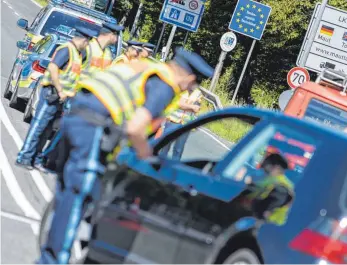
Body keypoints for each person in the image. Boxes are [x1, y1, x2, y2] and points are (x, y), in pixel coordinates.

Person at [37, 47, 214, 264]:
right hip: (93, 126)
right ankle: (54, 260)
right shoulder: (164, 85)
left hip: (77, 115)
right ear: (189, 77)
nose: (189, 89)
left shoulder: (148, 67)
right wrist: (148, 157)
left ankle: (48, 256)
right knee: (78, 197)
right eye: (193, 84)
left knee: (67, 195)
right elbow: (135, 129)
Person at [15, 27, 97, 171]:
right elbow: (53, 68)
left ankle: (36, 159)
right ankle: (24, 157)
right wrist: (60, 90)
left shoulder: (77, 54)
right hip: (51, 93)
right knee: (38, 127)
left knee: (47, 130)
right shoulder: (66, 50)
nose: (87, 45)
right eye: (87, 41)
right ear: (83, 39)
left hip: (61, 98)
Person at [242, 153, 294, 226]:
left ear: (276, 168)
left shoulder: (280, 185)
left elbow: (261, 206)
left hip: (269, 226)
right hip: (265, 223)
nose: (263, 169)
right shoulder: (276, 180)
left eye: (266, 166)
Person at [159, 86, 203, 159]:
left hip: (186, 124)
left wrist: (185, 105)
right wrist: (191, 106)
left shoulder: (198, 93)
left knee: (178, 150)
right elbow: (179, 104)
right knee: (165, 146)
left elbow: (196, 109)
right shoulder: (182, 88)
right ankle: (158, 165)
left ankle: (173, 168)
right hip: (173, 121)